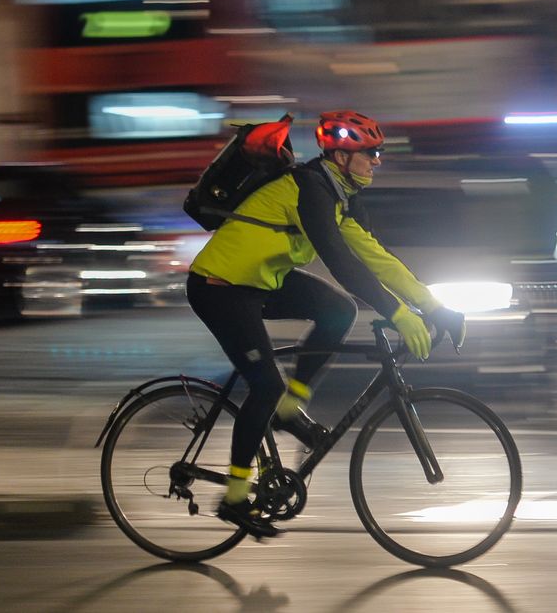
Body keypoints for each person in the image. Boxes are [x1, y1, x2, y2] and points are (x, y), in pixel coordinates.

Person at [186, 110, 466, 537]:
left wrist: (434, 305)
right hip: (220, 286)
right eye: (369, 153)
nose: (377, 160)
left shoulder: (340, 196)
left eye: (378, 152)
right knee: (264, 386)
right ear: (340, 155)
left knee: (339, 310)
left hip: (259, 282)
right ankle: (235, 496)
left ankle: (287, 411)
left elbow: (377, 260)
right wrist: (398, 313)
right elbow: (342, 264)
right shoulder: (309, 190)